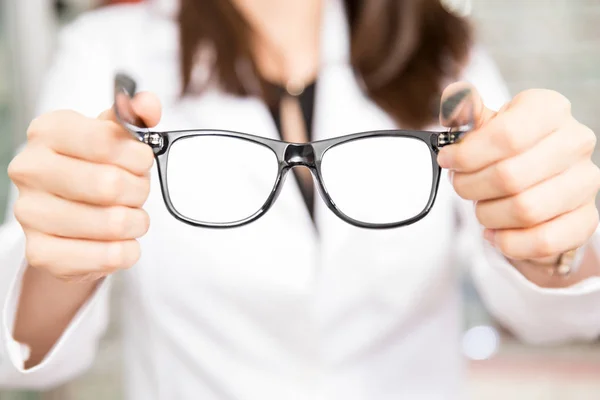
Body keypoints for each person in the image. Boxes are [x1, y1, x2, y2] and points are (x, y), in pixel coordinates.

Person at [1, 0, 599, 398]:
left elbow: (551, 311)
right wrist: (60, 259)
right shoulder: (109, 49)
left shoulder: (439, 49)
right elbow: (27, 353)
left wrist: (553, 236)